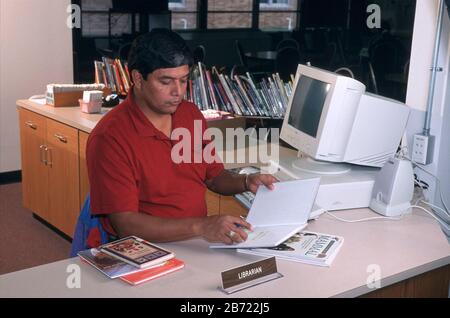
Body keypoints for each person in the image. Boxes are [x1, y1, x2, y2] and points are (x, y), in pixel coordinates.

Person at [86, 29, 277, 246]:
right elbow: (126, 224)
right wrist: (201, 226)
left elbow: (214, 177)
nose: (178, 92)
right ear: (138, 79)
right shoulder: (110, 138)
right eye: (166, 81)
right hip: (142, 248)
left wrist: (246, 181)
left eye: (184, 80)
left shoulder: (189, 114)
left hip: (194, 241)